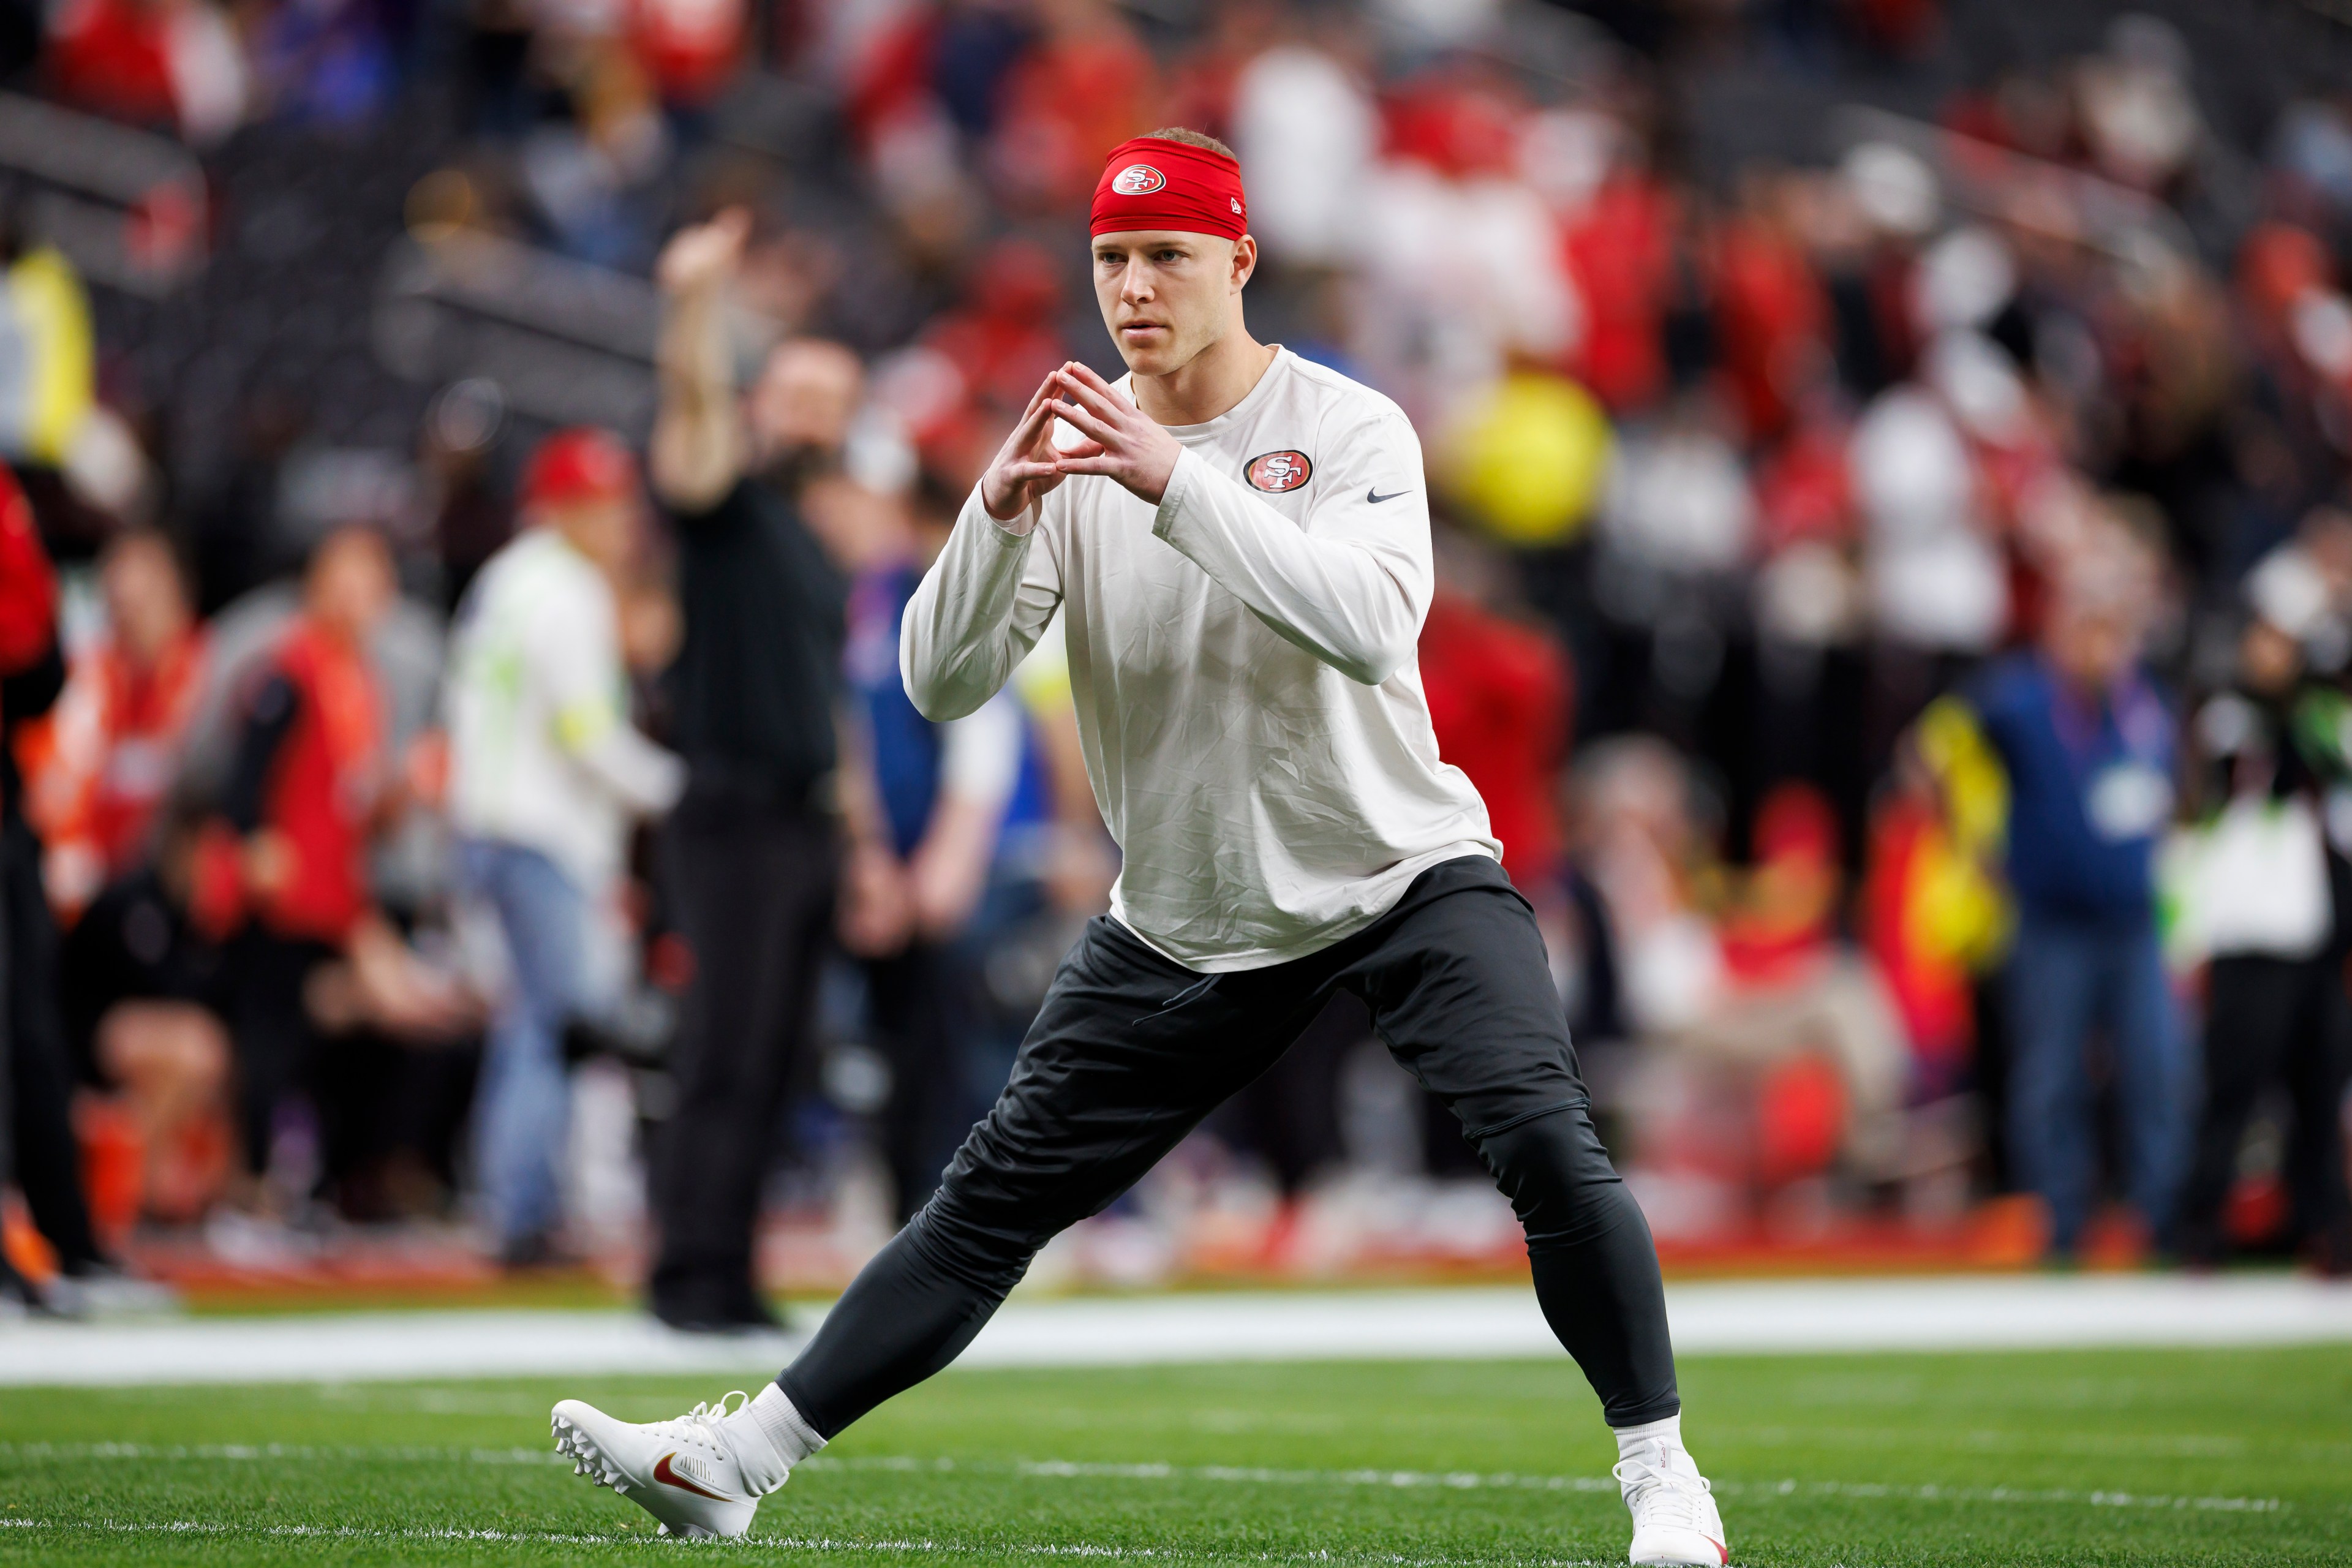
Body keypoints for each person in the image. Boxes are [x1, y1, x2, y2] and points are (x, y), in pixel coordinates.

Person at [548, 130, 1728, 1568]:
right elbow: (935, 676)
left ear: (1239, 258)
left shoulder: (1348, 427)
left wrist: (1173, 481)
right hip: (1186, 916)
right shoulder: (1075, 441)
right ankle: (735, 1459)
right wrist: (992, 515)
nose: (1133, 285)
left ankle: (1662, 1478)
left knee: (1544, 1136)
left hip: (1395, 871)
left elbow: (1365, 620)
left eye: (1166, 253)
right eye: (1110, 257)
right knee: (988, 1197)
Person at [638, 208, 853, 1331]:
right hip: (730, 812)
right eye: (801, 394)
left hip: (802, 822)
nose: (818, 416)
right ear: (763, 401)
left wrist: (854, 839)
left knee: (773, 1060)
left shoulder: (811, 542)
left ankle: (730, 1270)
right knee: (724, 1050)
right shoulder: (724, 509)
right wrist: (696, 301)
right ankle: (685, 1275)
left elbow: (834, 702)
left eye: (834, 401)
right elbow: (691, 423)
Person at [445, 428, 684, 1267]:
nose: (620, 521)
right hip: (536, 831)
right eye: (605, 504)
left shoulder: (506, 579)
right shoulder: (565, 589)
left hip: (493, 823)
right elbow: (587, 735)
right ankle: (521, 1216)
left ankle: (517, 1204)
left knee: (531, 1022)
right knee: (553, 1027)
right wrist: (681, 788)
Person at [1969, 537, 2190, 1261]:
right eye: (2086, 623)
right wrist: (1975, 844)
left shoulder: (2148, 705)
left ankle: (2160, 1216)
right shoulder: (2022, 702)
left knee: (2154, 1069)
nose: (2100, 641)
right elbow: (1934, 748)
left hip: (2134, 920)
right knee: (2051, 1076)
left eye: (2113, 625)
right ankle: (2060, 1224)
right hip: (2053, 921)